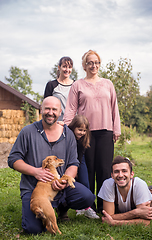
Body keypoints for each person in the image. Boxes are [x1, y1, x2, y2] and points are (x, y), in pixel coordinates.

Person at [8, 96, 95, 234]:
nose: (50, 112)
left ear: (60, 112)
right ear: (41, 109)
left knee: (88, 197)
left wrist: (65, 182)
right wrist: (36, 172)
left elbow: (73, 163)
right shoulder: (28, 132)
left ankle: (61, 207)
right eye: (47, 108)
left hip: (60, 186)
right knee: (33, 229)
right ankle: (44, 211)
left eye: (54, 109)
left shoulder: (68, 135)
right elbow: (13, 159)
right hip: (34, 189)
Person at [63, 50, 121, 213]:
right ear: (84, 65)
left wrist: (116, 128)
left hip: (106, 131)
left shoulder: (108, 84)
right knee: (87, 170)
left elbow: (114, 107)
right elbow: (71, 108)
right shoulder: (77, 85)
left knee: (103, 169)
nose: (93, 65)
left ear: (99, 64)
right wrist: (68, 130)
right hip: (84, 133)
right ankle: (89, 206)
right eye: (90, 62)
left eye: (96, 62)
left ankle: (103, 205)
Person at [98, 155, 152, 226]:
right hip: (137, 199)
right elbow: (108, 217)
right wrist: (136, 213)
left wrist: (114, 222)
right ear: (112, 175)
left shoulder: (140, 184)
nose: (120, 175)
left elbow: (145, 222)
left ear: (131, 174)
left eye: (124, 171)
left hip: (147, 196)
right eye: (116, 172)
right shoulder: (108, 184)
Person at [68, 114, 99, 219]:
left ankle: (86, 208)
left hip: (80, 160)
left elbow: (81, 154)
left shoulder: (83, 139)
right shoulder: (67, 135)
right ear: (73, 127)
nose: (82, 133)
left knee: (85, 182)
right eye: (80, 129)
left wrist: (76, 169)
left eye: (84, 130)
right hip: (69, 161)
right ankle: (79, 208)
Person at [44, 56, 74, 121]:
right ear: (59, 67)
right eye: (64, 66)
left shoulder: (76, 85)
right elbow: (46, 106)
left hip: (73, 124)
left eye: (69, 67)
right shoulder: (51, 85)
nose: (67, 70)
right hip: (56, 123)